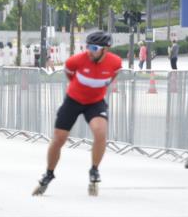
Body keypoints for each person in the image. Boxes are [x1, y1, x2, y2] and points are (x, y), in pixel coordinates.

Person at [33, 30, 122, 197]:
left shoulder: (115, 63)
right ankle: (49, 173)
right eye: (88, 46)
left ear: (105, 49)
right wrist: (79, 90)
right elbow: (69, 74)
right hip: (73, 100)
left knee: (100, 132)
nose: (90, 50)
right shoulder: (76, 61)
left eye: (94, 47)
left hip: (95, 102)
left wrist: (96, 91)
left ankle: (94, 170)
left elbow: (112, 77)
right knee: (59, 138)